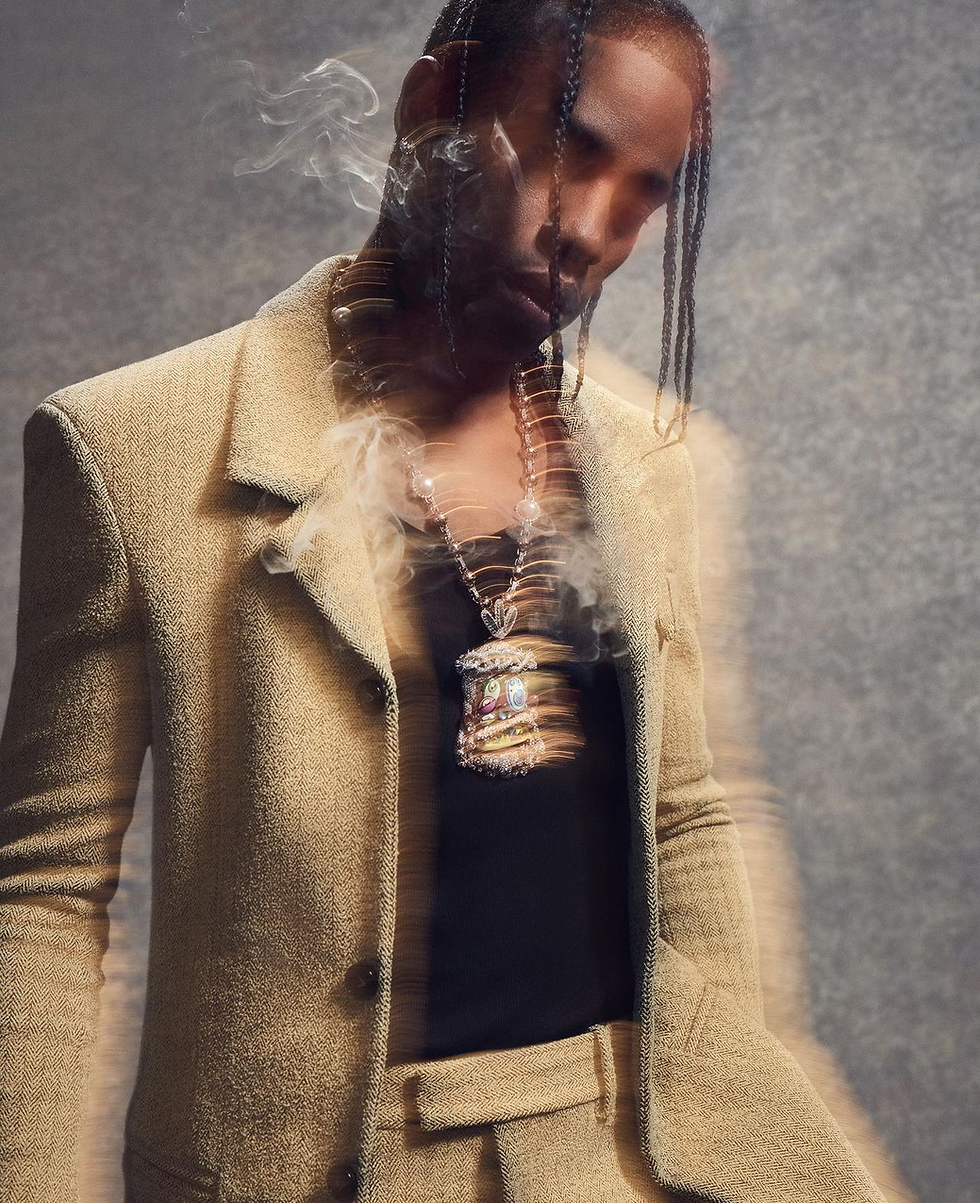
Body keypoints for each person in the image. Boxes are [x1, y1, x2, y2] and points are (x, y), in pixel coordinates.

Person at [0, 2, 895, 1201]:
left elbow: (691, 814)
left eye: (647, 191)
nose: (592, 229)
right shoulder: (129, 448)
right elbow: (45, 894)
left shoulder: (655, 464)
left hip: (621, 1156)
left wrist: (778, 1142)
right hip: (307, 1168)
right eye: (572, 151)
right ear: (435, 104)